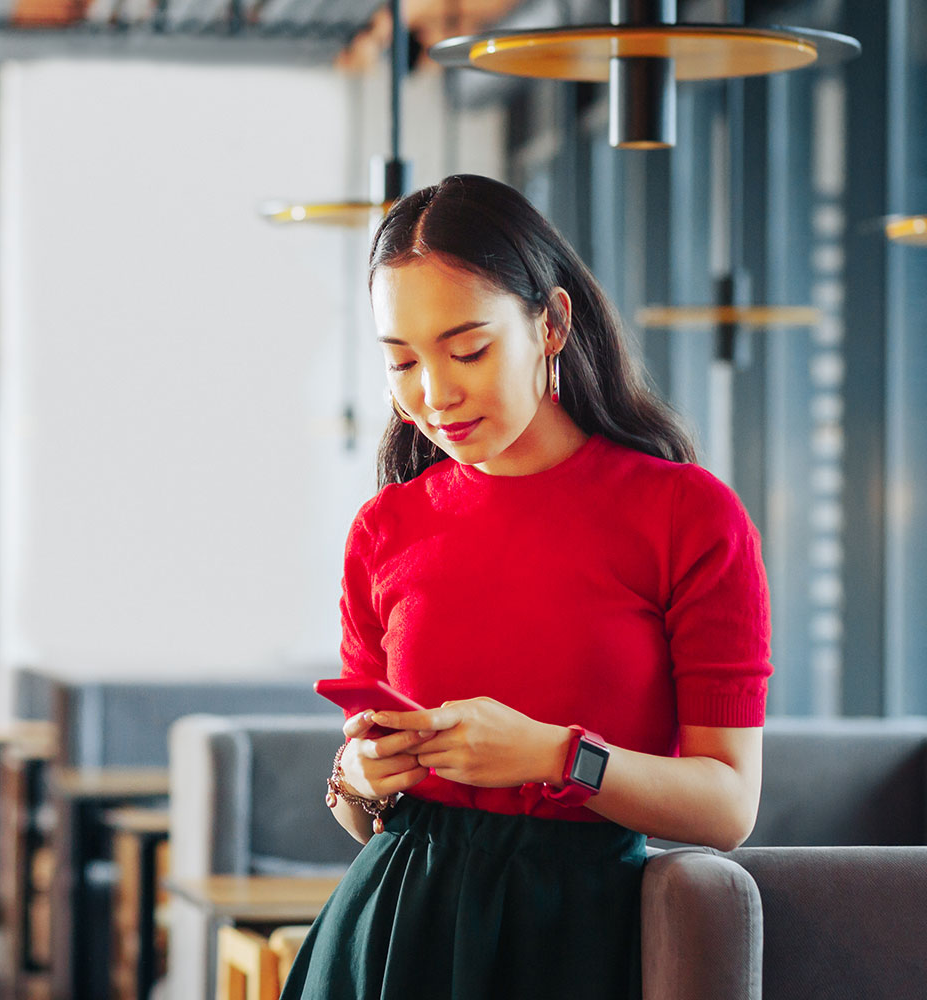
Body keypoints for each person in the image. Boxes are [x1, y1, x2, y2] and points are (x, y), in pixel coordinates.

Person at [280, 174, 772, 1000]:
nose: (433, 395)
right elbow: (364, 817)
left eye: (467, 349)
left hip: (587, 938)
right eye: (402, 361)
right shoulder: (384, 530)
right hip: (396, 933)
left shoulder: (687, 517)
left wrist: (555, 755)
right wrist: (361, 777)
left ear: (551, 323)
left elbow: (727, 806)